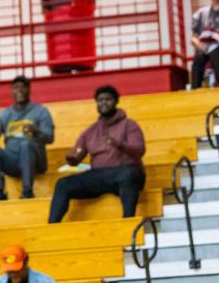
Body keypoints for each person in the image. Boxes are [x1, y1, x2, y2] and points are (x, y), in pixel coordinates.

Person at [48, 85, 146, 223]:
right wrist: (72, 160)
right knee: (62, 184)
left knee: (128, 175)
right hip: (99, 175)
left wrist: (120, 144)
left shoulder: (129, 125)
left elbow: (139, 150)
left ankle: (128, 223)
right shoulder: (90, 131)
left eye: (108, 99)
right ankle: (52, 227)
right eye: (100, 100)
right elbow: (77, 154)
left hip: (125, 172)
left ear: (116, 101)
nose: (104, 103)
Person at [0, 76, 54, 200]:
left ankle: (27, 191)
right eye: (16, 87)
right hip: (12, 161)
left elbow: (50, 137)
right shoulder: (3, 114)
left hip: (35, 162)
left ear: (29, 90)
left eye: (23, 87)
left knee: (25, 144)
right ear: (12, 92)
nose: (20, 90)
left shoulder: (41, 111)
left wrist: (36, 132)